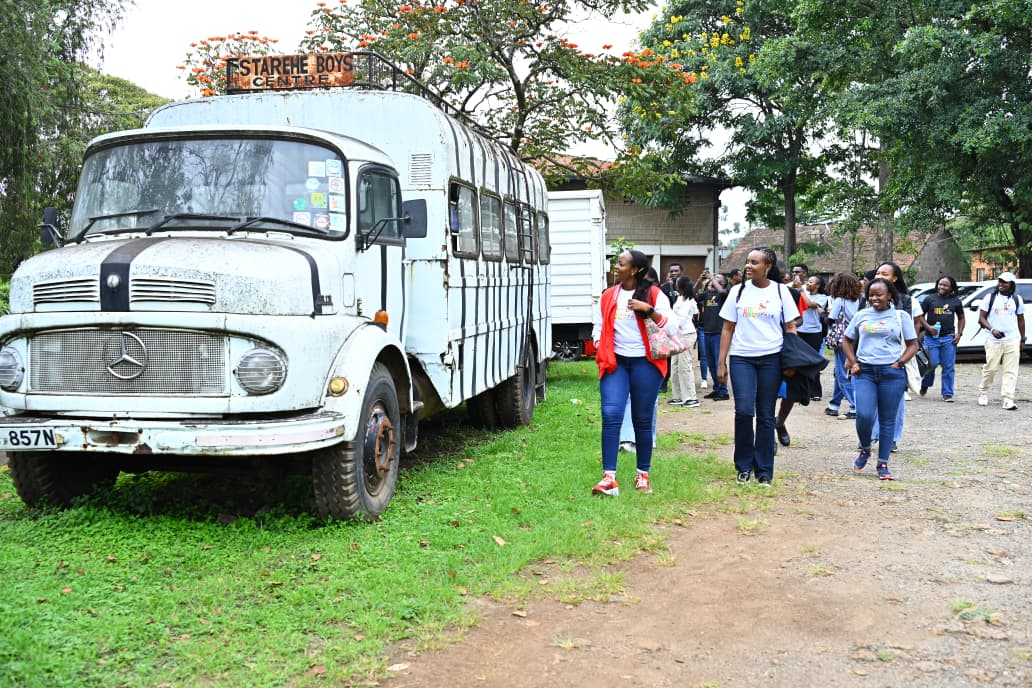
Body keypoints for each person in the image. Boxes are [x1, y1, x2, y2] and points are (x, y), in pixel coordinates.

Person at [591, 250, 678, 496]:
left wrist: (649, 310)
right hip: (615, 363)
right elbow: (598, 325)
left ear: (636, 269)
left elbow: (672, 326)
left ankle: (643, 475)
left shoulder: (654, 294)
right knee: (611, 414)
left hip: (646, 364)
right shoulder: (609, 295)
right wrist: (598, 342)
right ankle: (609, 478)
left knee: (642, 417)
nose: (616, 267)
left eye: (621, 264)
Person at [716, 247, 799, 486]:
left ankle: (764, 470)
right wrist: (721, 362)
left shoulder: (781, 292)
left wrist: (792, 360)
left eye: (754, 262)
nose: (748, 266)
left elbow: (790, 327)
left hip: (771, 358)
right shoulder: (737, 291)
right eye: (748, 262)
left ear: (768, 267)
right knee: (743, 411)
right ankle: (743, 466)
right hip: (742, 358)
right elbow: (727, 328)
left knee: (765, 414)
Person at [841, 277, 918, 481]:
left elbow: (913, 344)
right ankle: (866, 449)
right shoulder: (862, 315)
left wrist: (900, 363)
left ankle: (883, 463)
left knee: (887, 419)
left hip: (891, 373)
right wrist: (853, 362)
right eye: (870, 295)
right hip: (865, 372)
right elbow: (846, 340)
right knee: (864, 415)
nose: (874, 298)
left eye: (879, 294)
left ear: (890, 295)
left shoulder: (900, 316)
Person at [870, 261, 922, 451]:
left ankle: (891, 437)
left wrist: (902, 359)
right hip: (870, 356)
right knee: (870, 399)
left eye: (885, 274)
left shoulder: (906, 301)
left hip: (896, 357)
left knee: (895, 400)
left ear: (895, 278)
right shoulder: (867, 299)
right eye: (878, 273)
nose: (879, 276)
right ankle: (870, 434)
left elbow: (910, 331)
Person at [976, 272, 1026, 410]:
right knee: (990, 369)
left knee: (1011, 370)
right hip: (993, 339)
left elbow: (1021, 320)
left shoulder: (1017, 299)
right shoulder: (990, 297)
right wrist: (992, 330)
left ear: (1011, 284)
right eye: (1000, 281)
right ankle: (983, 392)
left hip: (1012, 339)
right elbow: (981, 318)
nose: (1001, 284)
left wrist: (1022, 338)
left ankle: (1008, 399)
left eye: (1005, 282)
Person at [918, 275, 966, 401]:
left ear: (951, 288)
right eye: (940, 284)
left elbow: (961, 318)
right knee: (931, 364)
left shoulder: (956, 301)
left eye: (945, 285)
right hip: (931, 338)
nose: (942, 287)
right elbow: (920, 316)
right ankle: (925, 384)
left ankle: (947, 393)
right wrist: (929, 327)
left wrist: (959, 334)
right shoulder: (930, 299)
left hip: (948, 338)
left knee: (948, 366)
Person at [825, 272, 862, 418]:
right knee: (840, 371)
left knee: (842, 373)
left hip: (842, 340)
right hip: (856, 339)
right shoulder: (860, 300)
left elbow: (831, 319)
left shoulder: (840, 300)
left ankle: (855, 406)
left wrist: (826, 315)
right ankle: (834, 405)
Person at [669, 275, 700, 408]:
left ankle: (691, 397)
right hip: (677, 335)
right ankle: (678, 396)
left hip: (686, 334)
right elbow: (695, 312)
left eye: (677, 283)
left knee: (685, 366)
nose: (675, 284)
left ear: (681, 286)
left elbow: (681, 319)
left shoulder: (688, 300)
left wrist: (668, 328)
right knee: (675, 365)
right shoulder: (680, 298)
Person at [698, 273, 730, 401]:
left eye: (718, 279)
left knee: (719, 362)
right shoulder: (707, 294)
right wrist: (700, 280)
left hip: (719, 333)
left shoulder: (724, 295)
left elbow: (722, 292)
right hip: (707, 331)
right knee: (711, 363)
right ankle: (717, 388)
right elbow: (693, 295)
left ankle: (724, 391)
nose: (714, 280)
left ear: (723, 283)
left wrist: (711, 278)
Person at [796, 274, 829, 399]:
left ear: (818, 285)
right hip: (799, 330)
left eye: (811, 282)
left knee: (812, 361)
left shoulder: (822, 297)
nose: (807, 283)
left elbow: (809, 304)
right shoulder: (802, 292)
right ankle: (801, 391)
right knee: (799, 361)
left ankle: (815, 392)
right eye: (808, 281)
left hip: (814, 332)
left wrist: (801, 290)